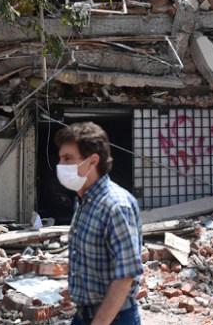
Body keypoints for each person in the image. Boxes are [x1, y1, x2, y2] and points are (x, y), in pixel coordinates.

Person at [54, 122, 143, 325]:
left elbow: (126, 274)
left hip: (114, 318)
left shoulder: (116, 205)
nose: (61, 165)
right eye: (60, 158)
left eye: (67, 158)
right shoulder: (84, 201)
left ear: (92, 161)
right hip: (84, 314)